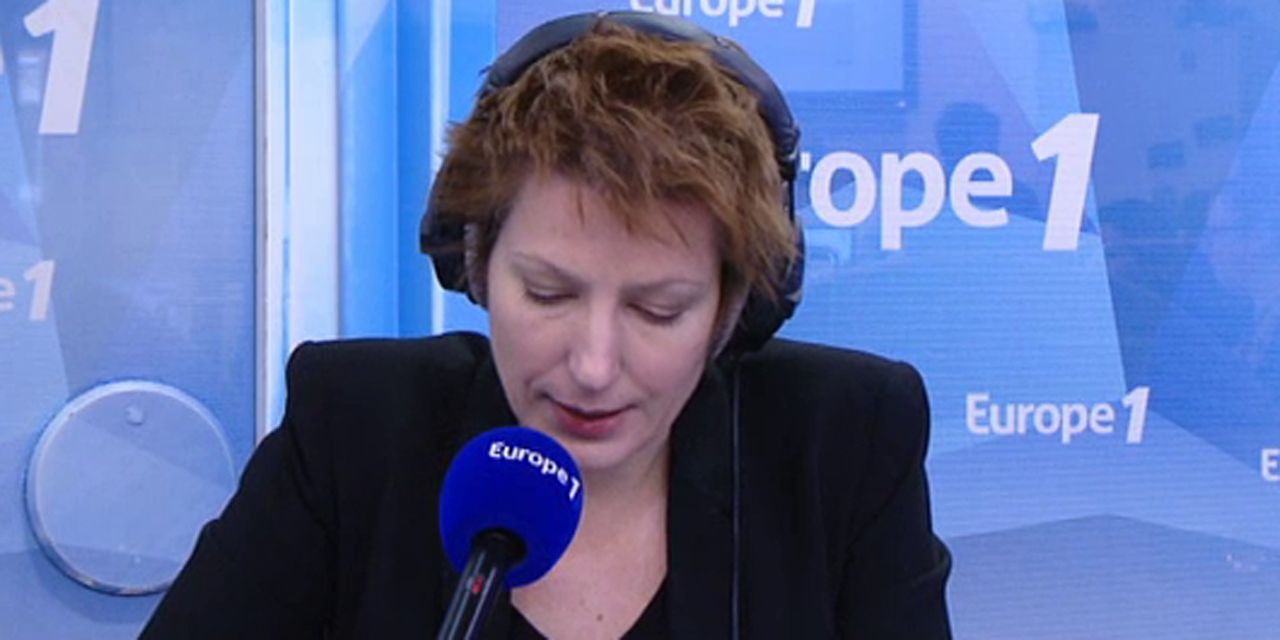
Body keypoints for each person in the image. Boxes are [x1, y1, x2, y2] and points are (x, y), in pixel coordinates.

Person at [142, 12, 951, 639]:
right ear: (474, 261)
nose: (593, 365)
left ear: (734, 307)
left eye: (657, 310)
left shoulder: (844, 444)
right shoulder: (355, 430)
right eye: (548, 294)